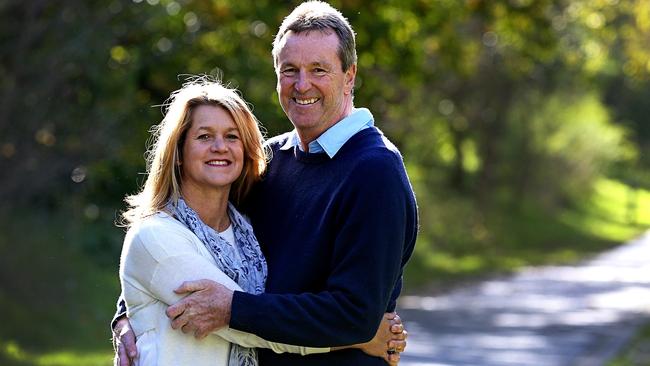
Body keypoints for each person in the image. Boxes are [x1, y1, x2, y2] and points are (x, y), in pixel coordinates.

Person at [114, 1, 417, 365]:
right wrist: (130, 313)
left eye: (318, 69)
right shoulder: (269, 162)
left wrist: (233, 309)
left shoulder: (374, 171)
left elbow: (353, 316)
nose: (302, 84)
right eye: (290, 70)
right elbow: (189, 242)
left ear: (349, 75)